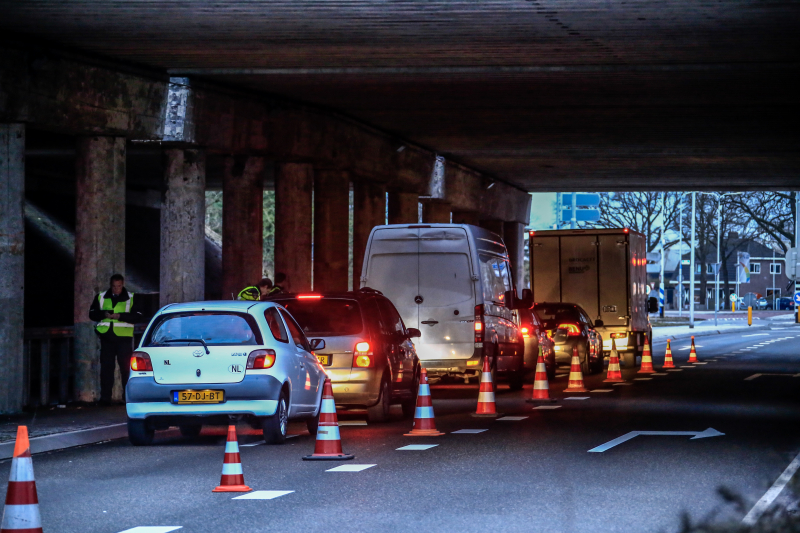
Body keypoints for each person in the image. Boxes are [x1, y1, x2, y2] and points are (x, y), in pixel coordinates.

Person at [88, 273, 143, 405]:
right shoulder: (101, 297)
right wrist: (104, 314)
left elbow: (138, 316)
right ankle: (105, 398)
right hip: (107, 337)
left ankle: (127, 397)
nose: (116, 289)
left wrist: (120, 316)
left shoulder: (131, 298)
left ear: (122, 285)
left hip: (123, 338)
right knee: (106, 369)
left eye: (118, 286)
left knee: (125, 369)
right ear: (111, 285)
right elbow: (92, 314)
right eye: (114, 287)